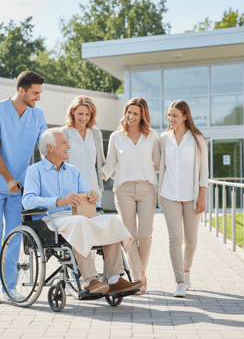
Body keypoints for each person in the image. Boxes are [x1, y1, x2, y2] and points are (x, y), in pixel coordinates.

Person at [22, 128, 142, 295]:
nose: (68, 146)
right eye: (64, 142)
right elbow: (27, 201)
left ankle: (114, 280)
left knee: (111, 221)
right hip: (51, 220)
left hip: (79, 216)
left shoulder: (72, 170)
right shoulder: (35, 171)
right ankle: (90, 280)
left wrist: (91, 195)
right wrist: (58, 201)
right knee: (79, 222)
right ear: (50, 147)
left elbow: (86, 194)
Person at [0, 71, 47, 304]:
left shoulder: (37, 115)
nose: (38, 97)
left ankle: (10, 286)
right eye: (35, 92)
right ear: (22, 90)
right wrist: (8, 178)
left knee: (15, 235)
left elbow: (45, 149)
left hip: (19, 187)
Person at [102, 98, 160, 294]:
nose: (131, 116)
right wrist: (98, 176)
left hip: (147, 188)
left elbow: (159, 164)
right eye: (129, 112)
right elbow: (110, 164)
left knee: (144, 236)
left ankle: (140, 272)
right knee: (128, 235)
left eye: (136, 113)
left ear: (143, 115)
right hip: (124, 188)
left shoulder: (151, 136)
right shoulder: (116, 137)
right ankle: (138, 278)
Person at [158, 100, 208, 298]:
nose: (171, 119)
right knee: (175, 239)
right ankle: (179, 281)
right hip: (169, 193)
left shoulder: (197, 139)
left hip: (192, 195)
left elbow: (204, 170)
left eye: (175, 116)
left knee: (191, 239)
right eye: (169, 115)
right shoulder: (164, 138)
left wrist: (202, 196)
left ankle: (186, 270)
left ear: (185, 116)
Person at [61, 96, 104, 207]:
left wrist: (104, 174)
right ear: (73, 112)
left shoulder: (95, 133)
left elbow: (101, 162)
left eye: (87, 114)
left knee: (94, 224)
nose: (84, 118)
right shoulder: (64, 133)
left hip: (93, 193)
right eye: (80, 114)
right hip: (71, 194)